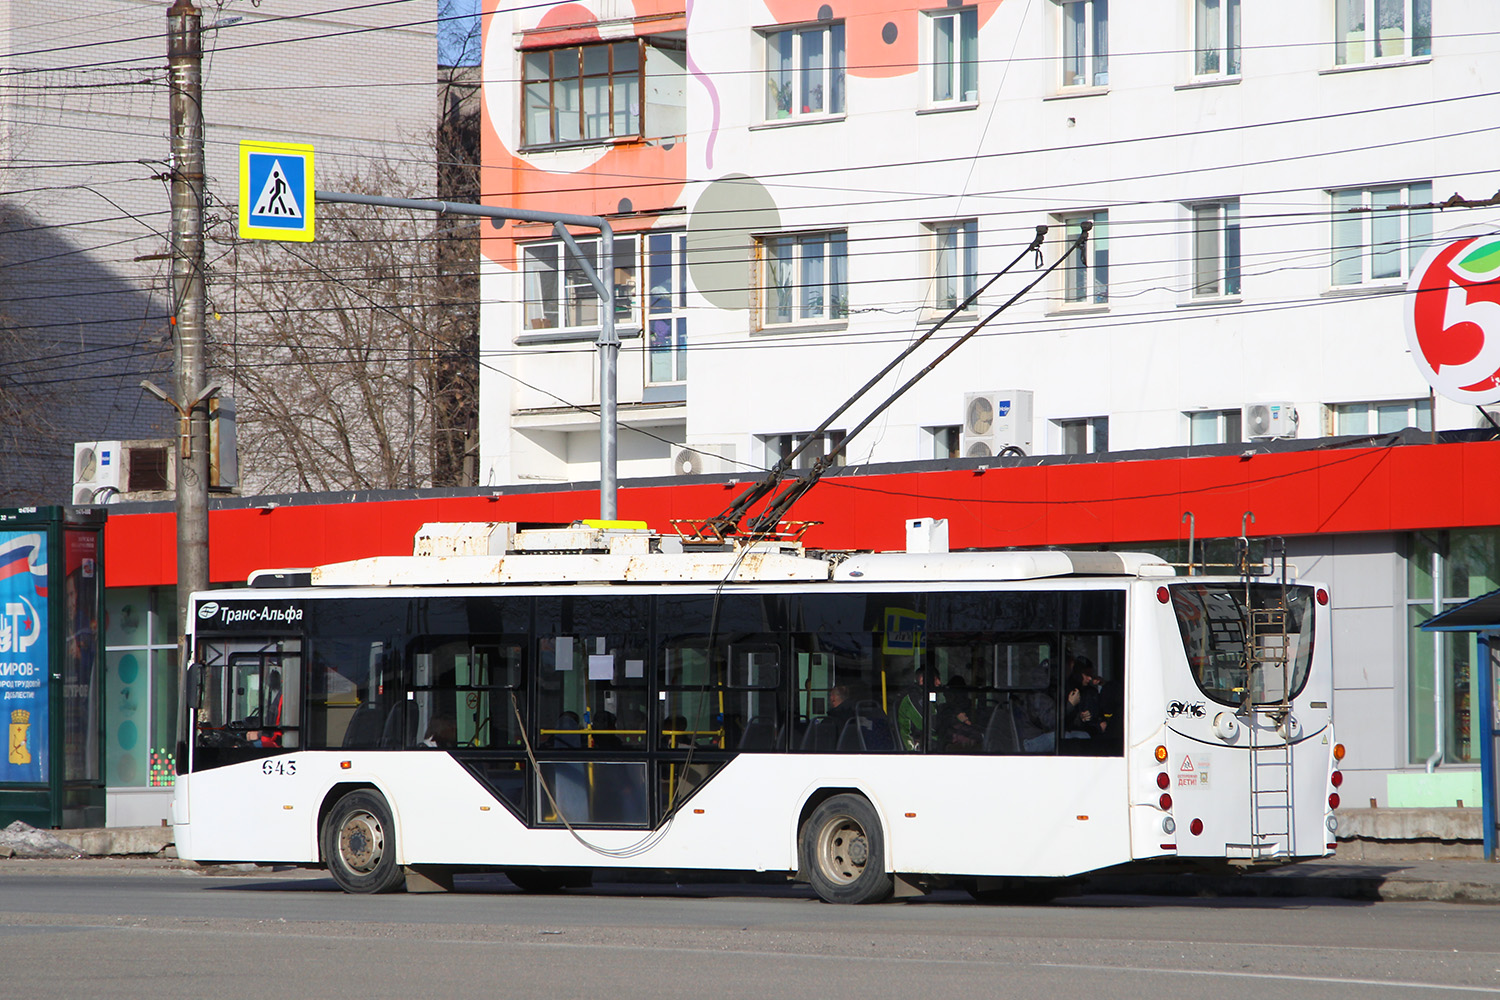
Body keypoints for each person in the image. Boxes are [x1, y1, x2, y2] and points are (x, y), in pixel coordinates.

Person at [935, 675, 982, 751]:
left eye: (950, 694)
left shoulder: (972, 710)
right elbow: (939, 728)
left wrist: (966, 721)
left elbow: (979, 734)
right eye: (946, 694)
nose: (946, 696)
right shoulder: (944, 710)